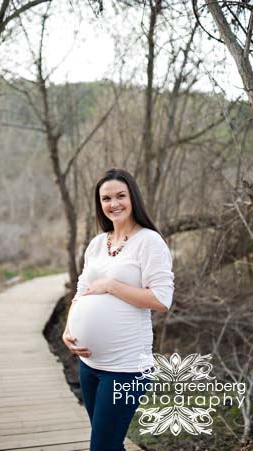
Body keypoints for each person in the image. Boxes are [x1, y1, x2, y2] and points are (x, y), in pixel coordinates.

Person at [63, 168, 174, 451]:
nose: (114, 204)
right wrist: (68, 329)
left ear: (133, 197)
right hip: (88, 365)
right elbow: (81, 290)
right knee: (110, 445)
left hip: (125, 367)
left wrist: (112, 286)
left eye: (120, 196)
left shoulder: (149, 241)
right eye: (106, 198)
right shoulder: (98, 243)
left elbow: (161, 300)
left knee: (102, 447)